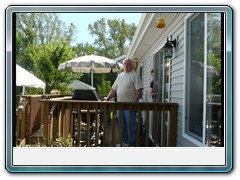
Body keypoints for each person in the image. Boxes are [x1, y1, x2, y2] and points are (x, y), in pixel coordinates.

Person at [105, 58, 143, 147]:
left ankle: (132, 144)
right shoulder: (120, 76)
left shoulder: (134, 75)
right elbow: (113, 90)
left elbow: (139, 90)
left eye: (128, 64)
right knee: (122, 126)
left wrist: (134, 102)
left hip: (130, 106)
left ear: (132, 65)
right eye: (125, 63)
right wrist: (106, 99)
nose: (126, 65)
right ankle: (125, 142)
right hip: (119, 105)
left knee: (131, 126)